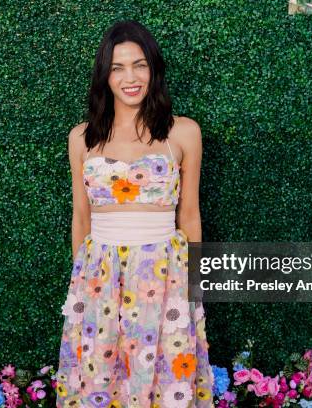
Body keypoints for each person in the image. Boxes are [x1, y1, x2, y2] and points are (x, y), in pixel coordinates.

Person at [56, 20, 214, 408]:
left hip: (166, 273)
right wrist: (81, 285)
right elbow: (81, 217)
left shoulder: (184, 133)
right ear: (105, 76)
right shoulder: (81, 137)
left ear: (153, 70)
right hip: (101, 273)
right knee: (100, 369)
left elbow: (189, 215)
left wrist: (196, 287)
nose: (131, 77)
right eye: (118, 67)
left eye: (140, 65)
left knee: (164, 374)